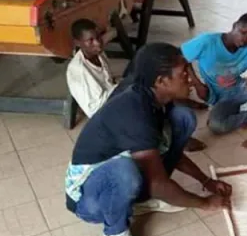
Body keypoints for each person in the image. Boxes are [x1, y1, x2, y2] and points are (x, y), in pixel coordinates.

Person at [65, 43, 232, 236]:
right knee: (126, 173)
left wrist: (205, 181)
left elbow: (165, 148)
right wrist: (204, 203)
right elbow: (157, 184)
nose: (190, 78)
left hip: (122, 167)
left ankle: (139, 200)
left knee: (183, 118)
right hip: (89, 197)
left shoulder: (155, 96)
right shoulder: (134, 111)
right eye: (183, 73)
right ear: (161, 81)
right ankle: (115, 231)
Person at [66, 19, 206, 151]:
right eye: (90, 41)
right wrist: (126, 87)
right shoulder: (78, 70)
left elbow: (109, 81)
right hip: (106, 108)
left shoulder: (97, 53)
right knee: (145, 81)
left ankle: (173, 98)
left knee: (145, 61)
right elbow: (95, 109)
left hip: (115, 94)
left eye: (98, 37)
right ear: (77, 43)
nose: (97, 43)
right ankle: (169, 129)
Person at [182, 13, 247, 134]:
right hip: (219, 98)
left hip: (242, 88)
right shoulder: (207, 41)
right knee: (216, 125)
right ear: (234, 25)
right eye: (243, 32)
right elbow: (181, 57)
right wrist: (197, 83)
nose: (245, 39)